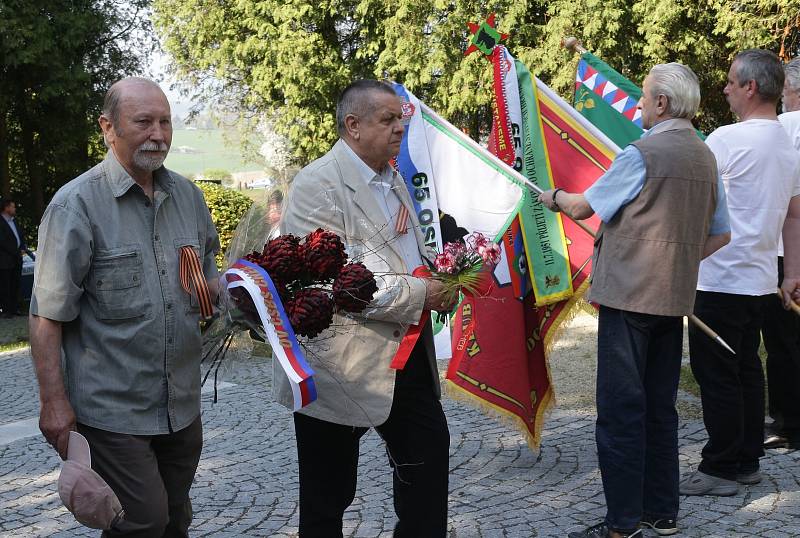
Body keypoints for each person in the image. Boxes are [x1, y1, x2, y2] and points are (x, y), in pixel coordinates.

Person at [539, 63, 730, 538]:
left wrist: (554, 195)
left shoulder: (642, 153)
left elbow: (584, 207)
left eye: (644, 98)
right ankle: (662, 513)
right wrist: (677, 264)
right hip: (673, 300)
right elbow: (721, 234)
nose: (640, 105)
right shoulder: (706, 156)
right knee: (660, 409)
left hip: (629, 300)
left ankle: (622, 524)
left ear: (662, 103)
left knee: (623, 412)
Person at [30, 77, 220, 537]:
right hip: (113, 410)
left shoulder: (188, 198)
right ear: (108, 128)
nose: (158, 133)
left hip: (181, 404)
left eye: (165, 122)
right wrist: (54, 404)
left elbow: (209, 284)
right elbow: (46, 316)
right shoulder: (75, 205)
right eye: (143, 122)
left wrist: (246, 294)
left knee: (175, 518)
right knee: (142, 521)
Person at [277, 79, 456, 537]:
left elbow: (405, 256)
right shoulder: (317, 184)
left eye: (401, 118)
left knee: (428, 470)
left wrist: (447, 275)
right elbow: (336, 284)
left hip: (406, 355)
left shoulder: (393, 176)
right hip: (340, 365)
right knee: (327, 495)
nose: (400, 128)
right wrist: (423, 295)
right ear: (352, 126)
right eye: (388, 119)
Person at [680, 49, 800, 497]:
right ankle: (747, 459)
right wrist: (791, 273)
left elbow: (695, 204)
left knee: (719, 374)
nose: (726, 88)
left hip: (720, 276)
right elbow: (794, 216)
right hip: (760, 276)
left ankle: (721, 467)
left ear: (751, 87)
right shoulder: (786, 145)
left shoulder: (727, 139)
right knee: (747, 368)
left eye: (732, 81)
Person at [763, 57, 800, 450]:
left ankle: (788, 423)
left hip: (783, 249)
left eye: (786, 91)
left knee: (783, 341)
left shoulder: (785, 127)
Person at [0, 198, 25, 317]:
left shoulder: (14, 221)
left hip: (17, 259)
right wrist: (16, 251)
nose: (14, 209)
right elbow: (2, 241)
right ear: (6, 208)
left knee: (16, 283)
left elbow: (20, 236)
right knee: (6, 285)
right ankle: (6, 310)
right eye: (13, 206)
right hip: (5, 259)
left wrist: (23, 247)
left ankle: (15, 308)